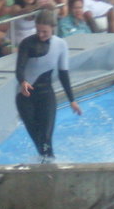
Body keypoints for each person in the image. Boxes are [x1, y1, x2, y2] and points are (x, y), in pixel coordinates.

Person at [15, 9, 82, 162]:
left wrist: (72, 100)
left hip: (46, 95)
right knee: (38, 139)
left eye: (44, 31)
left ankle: (49, 166)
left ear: (53, 27)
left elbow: (63, 74)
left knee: (46, 137)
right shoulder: (27, 43)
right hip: (25, 97)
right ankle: (47, 165)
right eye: (38, 30)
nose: (40, 34)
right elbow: (19, 68)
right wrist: (22, 82)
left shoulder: (61, 45)